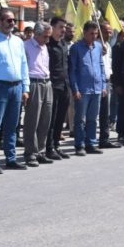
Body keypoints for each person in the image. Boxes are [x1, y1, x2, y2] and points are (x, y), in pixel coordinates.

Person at [0, 8, 30, 172]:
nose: (12, 23)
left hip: (16, 87)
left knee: (12, 125)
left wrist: (25, 88)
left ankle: (11, 159)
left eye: (13, 20)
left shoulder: (18, 41)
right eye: (8, 20)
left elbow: (24, 65)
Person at [68, 21, 107, 156]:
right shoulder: (76, 48)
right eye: (91, 33)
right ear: (84, 33)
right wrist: (75, 89)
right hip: (82, 90)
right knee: (80, 119)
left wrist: (103, 85)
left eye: (96, 34)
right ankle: (79, 145)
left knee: (92, 118)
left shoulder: (98, 47)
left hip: (97, 89)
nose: (94, 36)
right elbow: (72, 70)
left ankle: (91, 143)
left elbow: (101, 66)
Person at [22, 21, 54, 167]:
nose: (47, 39)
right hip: (33, 82)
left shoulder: (45, 46)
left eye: (49, 36)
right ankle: (30, 153)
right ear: (36, 34)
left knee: (45, 119)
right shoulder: (26, 46)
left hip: (47, 82)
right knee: (32, 120)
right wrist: (25, 88)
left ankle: (40, 151)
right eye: (45, 36)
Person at [46, 17, 71, 160]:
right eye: (61, 27)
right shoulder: (47, 44)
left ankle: (56, 145)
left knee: (60, 118)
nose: (63, 30)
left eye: (65, 27)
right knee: (52, 118)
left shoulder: (63, 44)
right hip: (53, 85)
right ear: (53, 27)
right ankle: (49, 148)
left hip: (65, 85)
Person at [97, 20, 121, 150]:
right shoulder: (95, 45)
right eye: (106, 31)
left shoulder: (108, 46)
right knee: (92, 115)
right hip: (96, 83)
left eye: (110, 32)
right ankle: (87, 141)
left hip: (107, 82)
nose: (109, 34)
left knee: (105, 113)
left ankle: (104, 139)